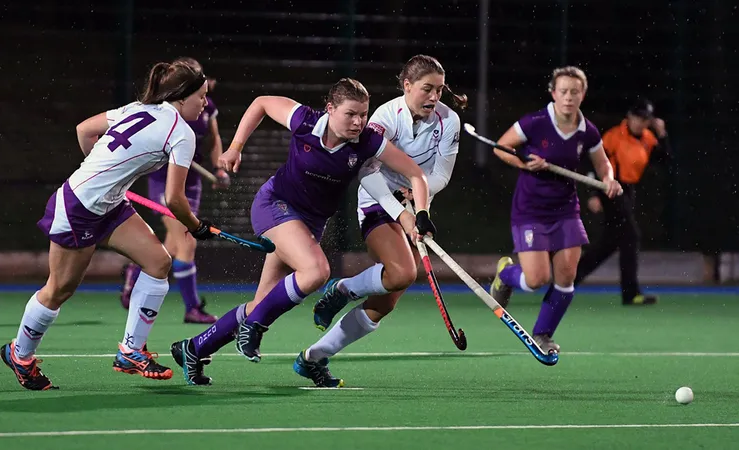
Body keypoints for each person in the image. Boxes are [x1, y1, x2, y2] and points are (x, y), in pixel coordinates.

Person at [169, 78, 436, 386]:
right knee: (316, 271)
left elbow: (416, 175)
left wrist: (421, 213)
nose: (358, 122)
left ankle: (194, 348)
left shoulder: (367, 142)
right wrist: (235, 148)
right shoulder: (305, 120)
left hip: (310, 223)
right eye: (350, 114)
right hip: (275, 205)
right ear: (330, 109)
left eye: (363, 114)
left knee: (263, 303)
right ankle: (254, 327)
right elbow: (261, 103)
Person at [0, 60, 218, 390]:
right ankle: (20, 354)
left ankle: (131, 351)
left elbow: (84, 130)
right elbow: (175, 199)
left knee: (158, 262)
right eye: (200, 96)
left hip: (110, 205)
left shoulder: (138, 108)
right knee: (59, 289)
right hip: (79, 208)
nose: (204, 103)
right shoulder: (182, 133)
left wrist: (104, 172)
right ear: (182, 96)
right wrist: (196, 226)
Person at [295, 55, 466, 387]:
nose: (434, 97)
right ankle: (343, 289)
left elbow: (441, 175)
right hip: (377, 200)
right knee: (403, 273)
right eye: (427, 89)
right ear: (407, 86)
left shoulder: (450, 121)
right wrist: (401, 212)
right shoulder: (385, 117)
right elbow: (367, 171)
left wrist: (418, 206)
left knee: (387, 300)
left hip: (416, 204)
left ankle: (313, 358)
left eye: (440, 90)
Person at [488, 66, 622, 354]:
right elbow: (500, 147)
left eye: (575, 92)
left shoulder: (587, 131)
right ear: (553, 93)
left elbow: (602, 164)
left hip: (566, 211)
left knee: (566, 276)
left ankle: (543, 334)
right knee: (536, 280)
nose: (569, 97)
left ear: (583, 95)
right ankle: (506, 274)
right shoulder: (535, 122)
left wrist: (609, 179)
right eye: (563, 91)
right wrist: (525, 164)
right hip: (530, 209)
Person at [120, 57, 228, 324]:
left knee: (173, 245)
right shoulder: (162, 112)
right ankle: (192, 308)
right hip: (164, 180)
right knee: (187, 240)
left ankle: (135, 272)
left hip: (192, 182)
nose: (203, 97)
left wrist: (219, 169)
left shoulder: (207, 107)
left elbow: (214, 138)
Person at [574, 98, 670, 305]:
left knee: (609, 243)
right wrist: (593, 193)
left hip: (628, 191)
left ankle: (568, 281)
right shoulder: (614, 136)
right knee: (631, 236)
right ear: (629, 116)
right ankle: (630, 293)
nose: (641, 122)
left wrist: (662, 135)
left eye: (645, 119)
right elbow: (593, 163)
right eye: (638, 117)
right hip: (610, 189)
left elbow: (664, 159)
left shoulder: (648, 138)